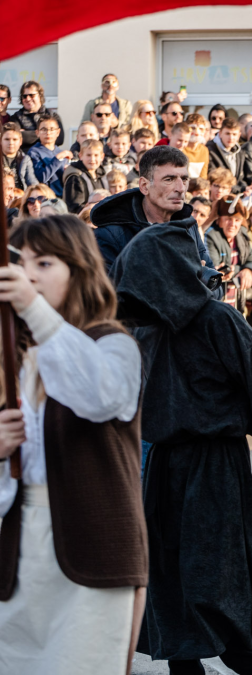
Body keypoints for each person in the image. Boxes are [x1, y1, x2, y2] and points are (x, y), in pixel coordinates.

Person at [111, 221, 252, 675]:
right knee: (167, 568)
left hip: (215, 463)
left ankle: (249, 661)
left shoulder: (219, 319)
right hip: (163, 463)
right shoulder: (146, 331)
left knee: (216, 569)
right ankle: (184, 663)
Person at [0, 216, 146, 674]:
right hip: (17, 549)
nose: (28, 275)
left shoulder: (113, 344)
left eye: (43, 263)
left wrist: (35, 312)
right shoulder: (12, 355)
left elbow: (101, 397)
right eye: (20, 263)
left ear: (79, 269)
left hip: (93, 548)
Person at [91, 146, 213, 274]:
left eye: (184, 179)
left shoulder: (188, 224)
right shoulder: (110, 235)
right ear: (144, 186)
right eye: (169, 179)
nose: (181, 188)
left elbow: (215, 285)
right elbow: (108, 291)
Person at [13, 81, 62, 151]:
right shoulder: (16, 118)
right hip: (26, 158)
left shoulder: (53, 116)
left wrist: (27, 133)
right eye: (24, 96)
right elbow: (15, 138)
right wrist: (47, 134)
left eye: (31, 95)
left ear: (40, 95)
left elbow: (60, 139)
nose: (28, 99)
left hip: (49, 158)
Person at [62, 138, 105, 212]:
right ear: (80, 156)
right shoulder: (75, 178)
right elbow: (74, 207)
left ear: (102, 157)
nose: (92, 159)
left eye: (96, 155)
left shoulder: (102, 174)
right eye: (88, 155)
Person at [208, 117, 244, 191]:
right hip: (218, 194)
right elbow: (214, 179)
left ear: (239, 136)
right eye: (227, 133)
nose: (231, 137)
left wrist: (246, 188)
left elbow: (241, 178)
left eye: (234, 134)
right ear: (220, 133)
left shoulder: (240, 153)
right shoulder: (210, 150)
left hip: (234, 195)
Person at [1, 122, 34, 190]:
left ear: (20, 141)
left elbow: (32, 181)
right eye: (7, 139)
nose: (11, 143)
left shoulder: (26, 159)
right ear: (0, 141)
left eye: (15, 139)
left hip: (20, 196)